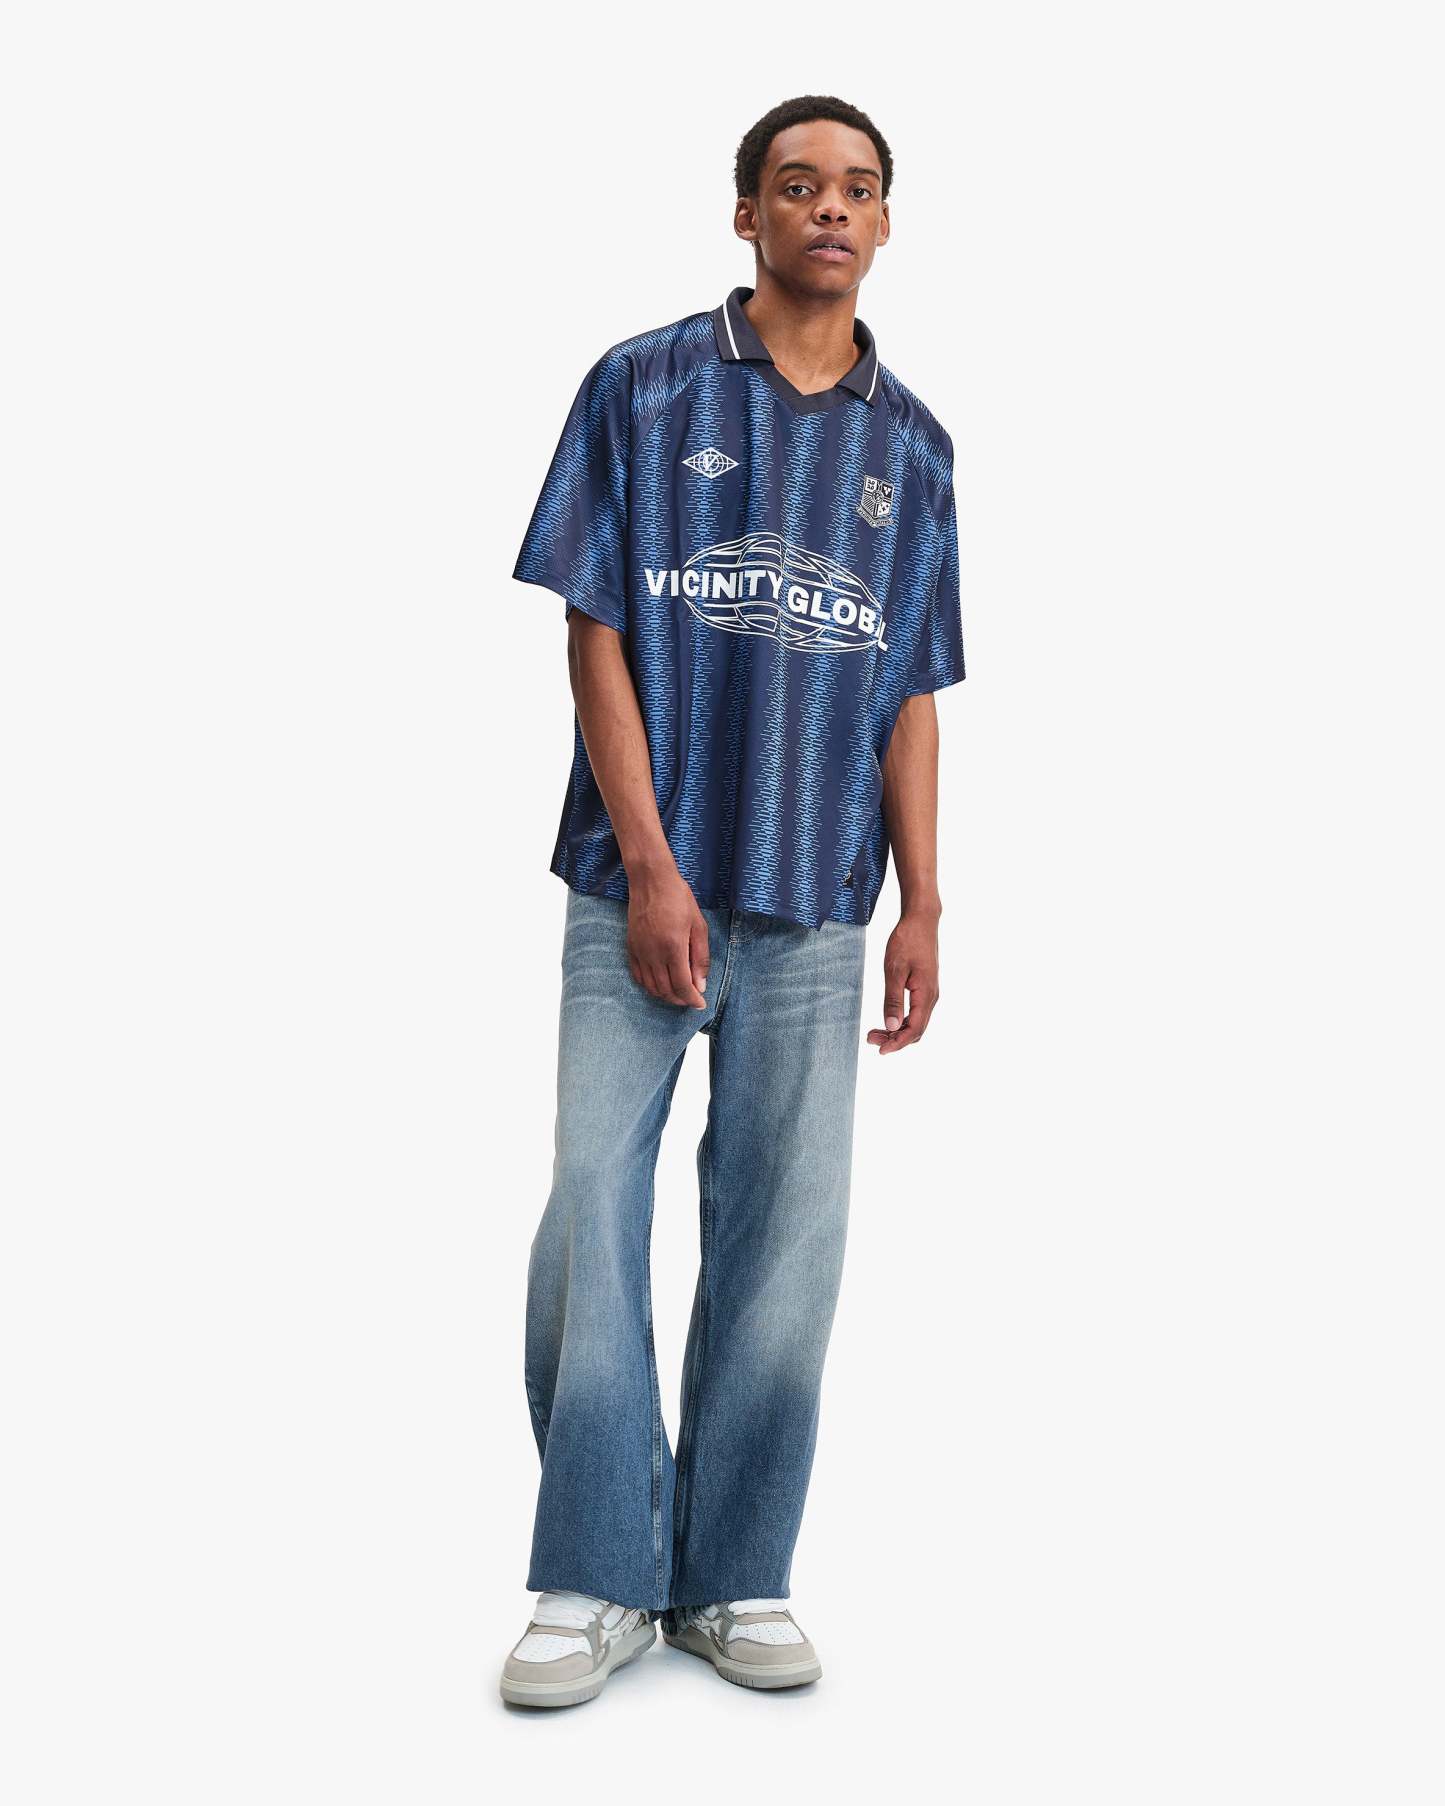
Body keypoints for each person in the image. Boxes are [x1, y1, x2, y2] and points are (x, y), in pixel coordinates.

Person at [500, 94, 965, 1708]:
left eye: (856, 188)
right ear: (746, 212)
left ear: (884, 223)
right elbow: (593, 628)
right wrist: (645, 860)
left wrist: (923, 901)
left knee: (786, 1243)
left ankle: (729, 1574)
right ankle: (595, 1571)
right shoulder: (643, 386)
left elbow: (910, 689)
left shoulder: (915, 448)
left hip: (819, 900)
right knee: (592, 1204)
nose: (827, 207)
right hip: (638, 886)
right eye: (796, 184)